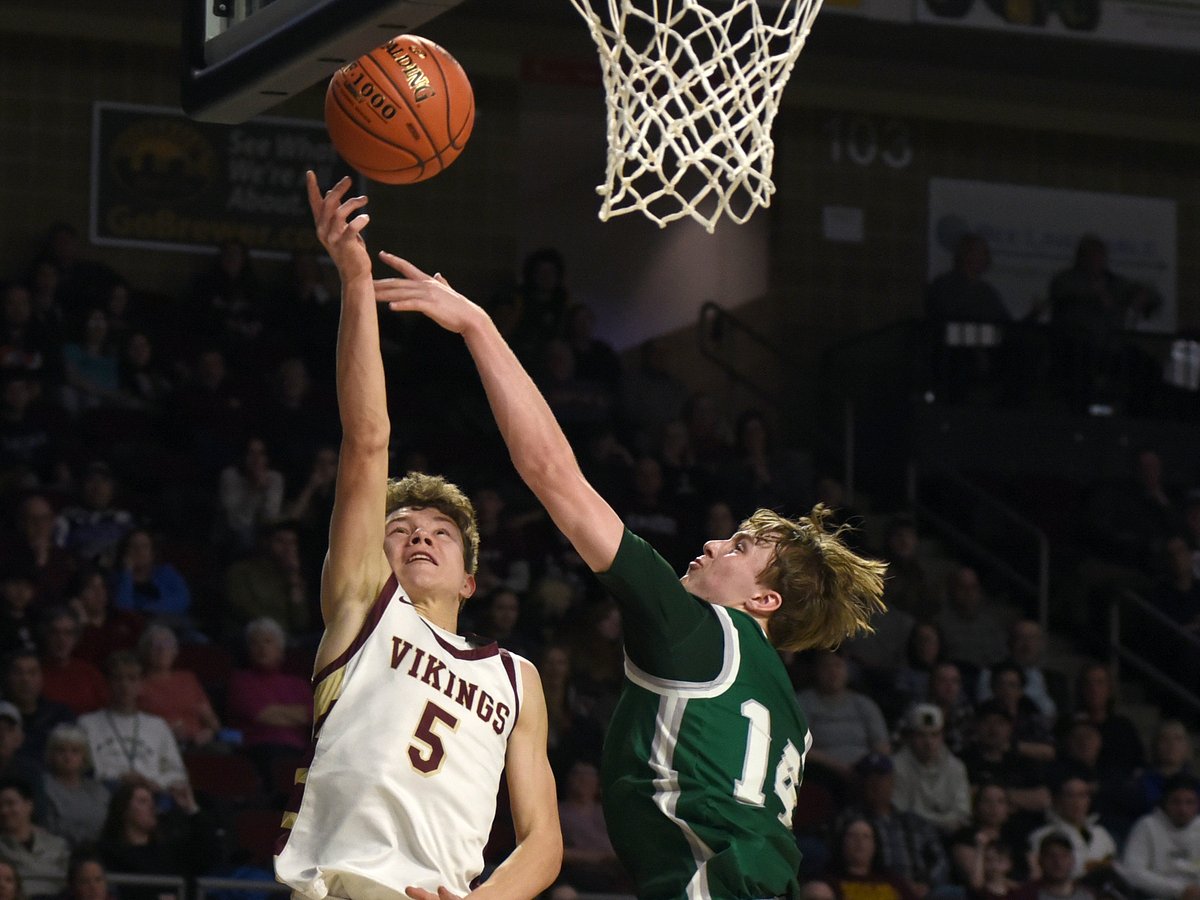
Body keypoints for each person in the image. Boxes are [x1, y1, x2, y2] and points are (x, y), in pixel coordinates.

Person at [370, 213, 887, 899]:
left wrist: (477, 326)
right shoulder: (780, 702)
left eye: (737, 548)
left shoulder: (695, 632)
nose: (710, 544)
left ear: (765, 600)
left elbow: (552, 472)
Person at [272, 174, 561, 900]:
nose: (419, 538)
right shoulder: (365, 603)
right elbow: (368, 438)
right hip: (346, 884)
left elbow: (544, 843)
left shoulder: (516, 678)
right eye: (400, 529)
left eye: (440, 533)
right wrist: (355, 279)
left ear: (471, 579)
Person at [76, 652, 189, 799]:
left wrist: (151, 782)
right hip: (104, 797)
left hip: (151, 798)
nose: (125, 685)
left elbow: (177, 772)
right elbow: (80, 770)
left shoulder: (158, 725)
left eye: (132, 678)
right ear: (108, 683)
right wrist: (118, 779)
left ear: (141, 684)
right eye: (118, 678)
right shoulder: (87, 724)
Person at [890, 703, 971, 835]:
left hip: (950, 836)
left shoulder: (956, 767)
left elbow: (962, 814)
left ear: (942, 736)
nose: (928, 743)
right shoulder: (896, 767)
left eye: (934, 735)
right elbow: (900, 814)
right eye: (922, 735)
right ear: (910, 736)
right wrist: (942, 821)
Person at [1120, 774, 1200, 900]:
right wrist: (1179, 891)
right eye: (1176, 802)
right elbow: (1132, 872)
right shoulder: (1146, 826)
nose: (1183, 809)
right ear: (1165, 802)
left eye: (1189, 802)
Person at [40, 724, 109, 848]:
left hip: (100, 854)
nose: (68, 757)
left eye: (75, 751)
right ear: (51, 755)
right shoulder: (43, 788)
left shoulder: (99, 790)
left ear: (84, 757)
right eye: (61, 750)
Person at [0, 777, 69, 900]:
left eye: (10, 803)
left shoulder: (57, 845)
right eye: (0, 806)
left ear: (29, 805)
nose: (4, 811)